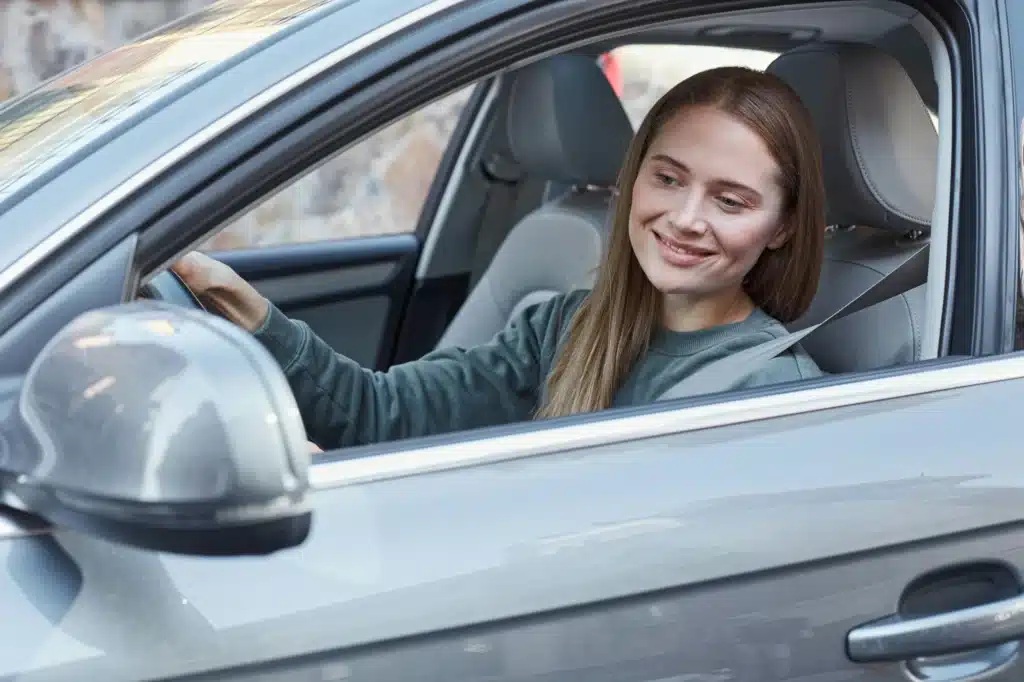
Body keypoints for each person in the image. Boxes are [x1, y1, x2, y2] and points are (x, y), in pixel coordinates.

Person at [172, 66, 826, 450]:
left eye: (731, 201)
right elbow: (382, 414)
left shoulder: (776, 395)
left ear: (782, 228)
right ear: (633, 179)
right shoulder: (564, 325)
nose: (685, 219)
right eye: (668, 179)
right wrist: (248, 312)